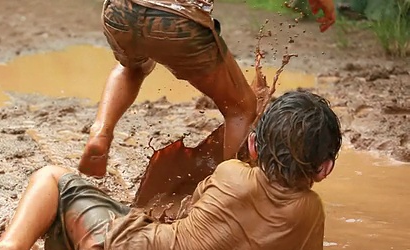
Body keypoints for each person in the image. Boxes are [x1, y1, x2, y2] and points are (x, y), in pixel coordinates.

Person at [0, 90, 342, 250]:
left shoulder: (230, 173)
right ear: (325, 169)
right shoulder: (310, 212)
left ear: (254, 147)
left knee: (53, 178)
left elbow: (189, 219)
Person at [78, 0, 337, 178]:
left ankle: (100, 132)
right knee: (241, 107)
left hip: (120, 11)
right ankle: (227, 193)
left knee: (130, 67)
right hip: (178, 16)